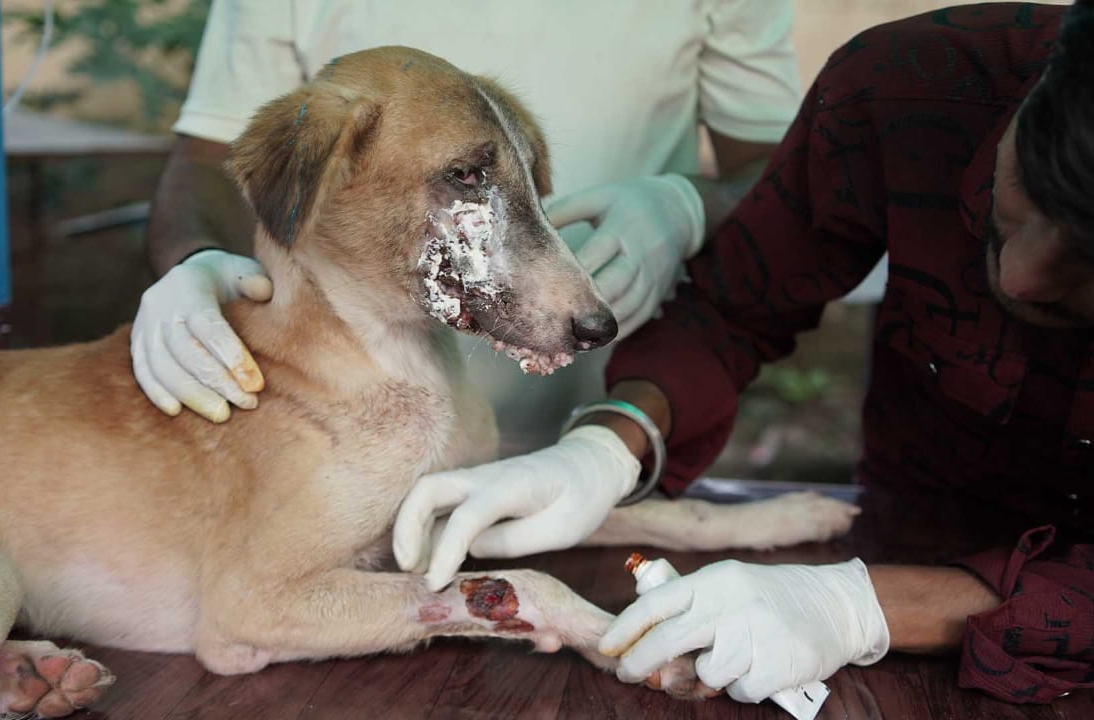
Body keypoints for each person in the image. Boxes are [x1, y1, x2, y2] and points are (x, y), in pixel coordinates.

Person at [396, 0, 1094, 707]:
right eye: (1022, 201)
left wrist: (857, 608)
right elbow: (733, 308)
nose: (1020, 277)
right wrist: (608, 445)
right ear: (1035, 91)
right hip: (913, 522)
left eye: (1086, 263)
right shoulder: (917, 84)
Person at [131, 1, 802, 470]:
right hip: (342, 436)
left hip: (618, 422)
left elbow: (795, 176)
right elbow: (212, 158)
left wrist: (686, 206)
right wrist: (196, 263)